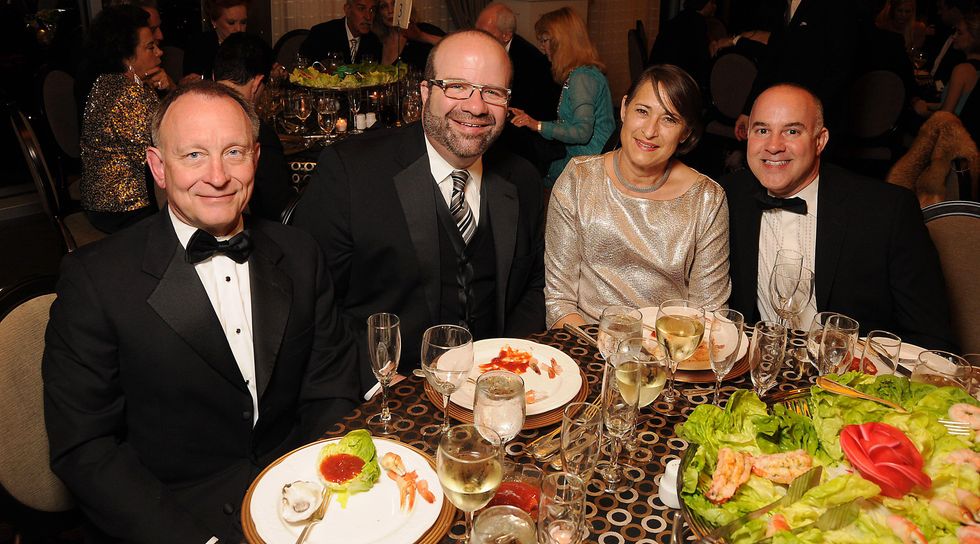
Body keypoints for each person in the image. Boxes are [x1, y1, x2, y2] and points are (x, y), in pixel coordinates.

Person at [43, 81, 361, 543]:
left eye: (233, 152)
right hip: (174, 516)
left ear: (256, 157)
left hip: (301, 491)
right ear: (158, 166)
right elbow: (86, 448)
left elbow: (329, 385)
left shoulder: (299, 252)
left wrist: (320, 485)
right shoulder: (95, 280)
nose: (217, 175)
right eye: (193, 155)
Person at [291, 30, 545, 391]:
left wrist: (510, 364)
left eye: (493, 92)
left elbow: (534, 285)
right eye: (457, 86)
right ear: (425, 92)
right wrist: (377, 377)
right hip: (389, 391)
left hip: (494, 387)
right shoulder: (350, 173)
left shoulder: (524, 179)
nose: (476, 106)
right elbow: (312, 302)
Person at [721, 83, 955, 350]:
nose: (774, 146)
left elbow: (932, 340)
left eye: (792, 131)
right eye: (762, 130)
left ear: (820, 140)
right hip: (754, 372)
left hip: (853, 380)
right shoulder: (724, 197)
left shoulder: (887, 211)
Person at [545, 65, 730, 328]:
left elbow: (710, 315)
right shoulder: (578, 179)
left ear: (686, 132)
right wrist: (604, 353)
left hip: (671, 353)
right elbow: (558, 301)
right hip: (588, 347)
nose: (650, 130)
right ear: (623, 109)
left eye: (669, 119)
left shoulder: (706, 199)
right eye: (642, 111)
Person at [78, 4, 171, 234]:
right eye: (150, 47)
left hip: (100, 202)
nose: (159, 52)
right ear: (126, 57)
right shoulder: (130, 95)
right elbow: (164, 152)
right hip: (124, 211)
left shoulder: (105, 83)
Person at [509, 7, 616, 187]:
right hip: (582, 158)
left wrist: (537, 125)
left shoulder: (582, 77)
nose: (542, 48)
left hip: (588, 165)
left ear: (562, 42)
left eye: (545, 40)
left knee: (522, 173)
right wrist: (531, 121)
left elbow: (581, 133)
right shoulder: (583, 74)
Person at [213, 32, 295, 222]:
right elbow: (280, 208)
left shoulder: (190, 118)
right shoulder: (255, 132)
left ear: (214, 75)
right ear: (257, 83)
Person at [475, 3, 561, 124]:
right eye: (476, 31)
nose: (478, 37)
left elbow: (524, 111)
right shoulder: (484, 49)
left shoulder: (530, 62)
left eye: (485, 33)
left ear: (506, 35)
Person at [913, 13, 980, 117]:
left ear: (973, 38)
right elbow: (960, 105)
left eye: (959, 32)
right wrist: (929, 105)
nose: (955, 36)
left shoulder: (962, 70)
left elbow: (945, 117)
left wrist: (922, 110)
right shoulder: (972, 69)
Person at [648, 0, 718, 88]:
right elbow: (702, 63)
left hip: (655, 75)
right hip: (671, 82)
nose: (715, 7)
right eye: (713, 3)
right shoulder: (697, 22)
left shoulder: (681, 17)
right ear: (704, 4)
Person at [182, 0, 248, 81]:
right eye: (231, 23)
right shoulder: (198, 47)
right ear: (214, 21)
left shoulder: (251, 47)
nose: (239, 29)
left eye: (243, 22)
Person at [300, 0, 382, 65]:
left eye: (372, 10)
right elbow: (303, 68)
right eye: (361, 8)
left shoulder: (374, 41)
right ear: (348, 10)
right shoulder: (321, 33)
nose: (368, 16)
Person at [374, 0, 444, 71]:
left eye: (395, 4)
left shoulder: (423, 29)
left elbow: (453, 45)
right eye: (383, 6)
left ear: (406, 7)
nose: (390, 10)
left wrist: (421, 36)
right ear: (378, 13)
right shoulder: (375, 40)